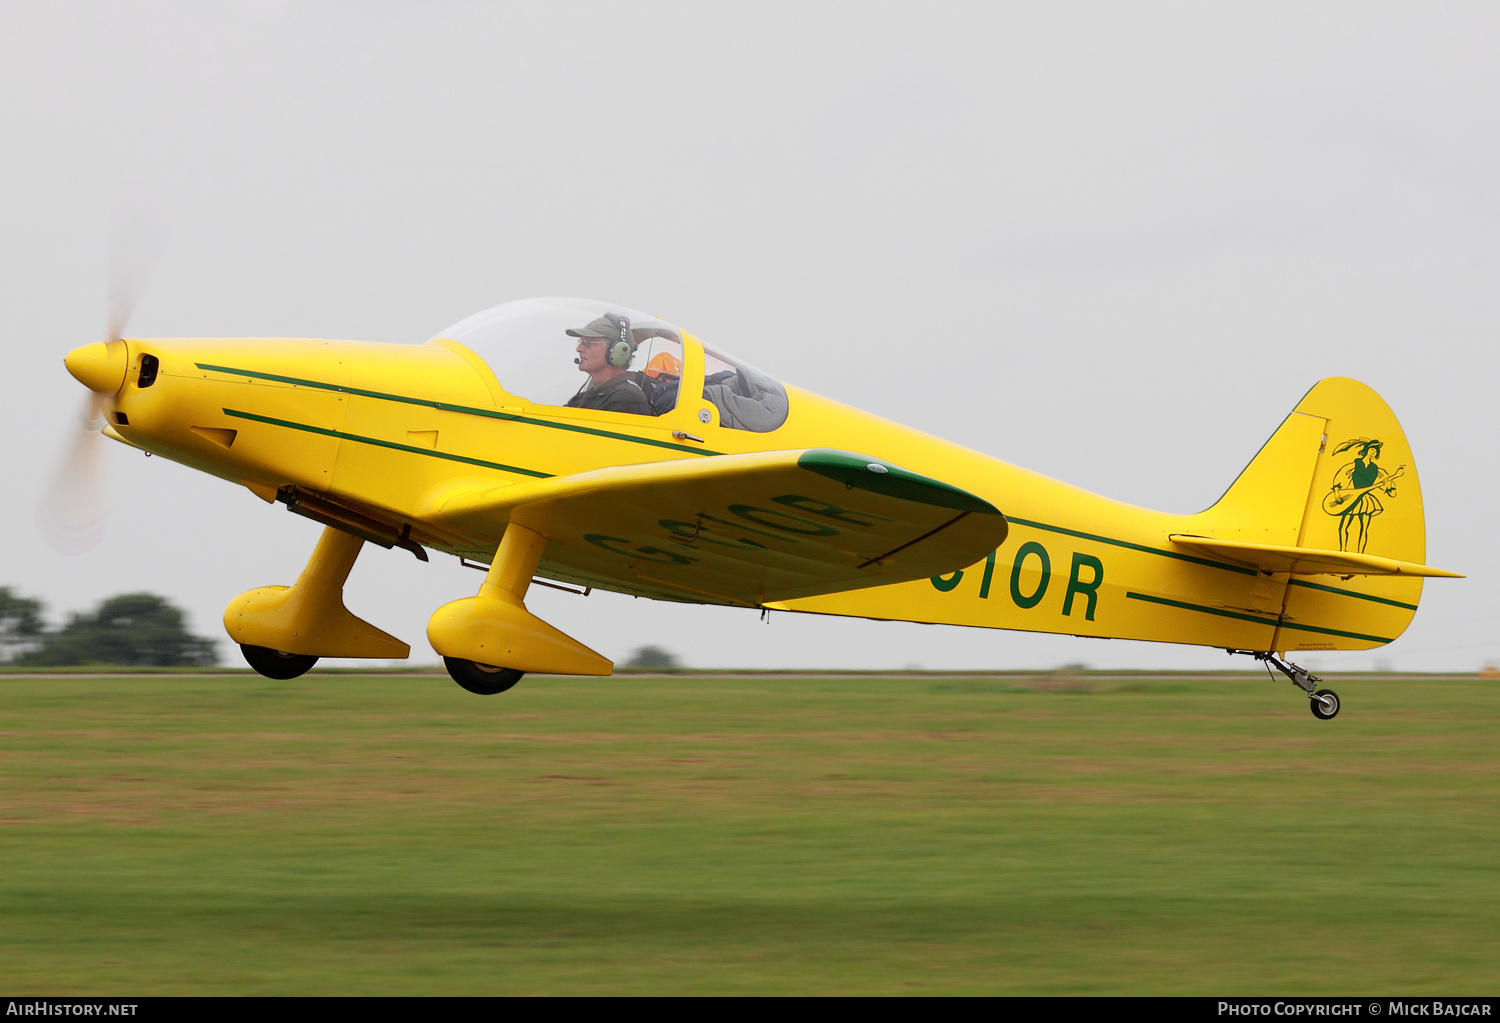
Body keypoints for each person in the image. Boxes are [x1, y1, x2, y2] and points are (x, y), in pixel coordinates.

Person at [563, 313, 650, 415]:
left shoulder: (625, 398)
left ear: (617, 351)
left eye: (587, 343)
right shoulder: (587, 396)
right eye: (580, 341)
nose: (579, 349)